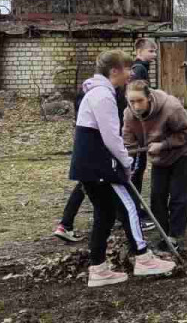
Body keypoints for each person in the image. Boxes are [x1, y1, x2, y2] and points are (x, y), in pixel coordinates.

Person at [68, 50, 175, 287]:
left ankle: (98, 270)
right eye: (127, 69)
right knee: (129, 208)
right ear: (115, 70)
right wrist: (126, 163)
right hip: (99, 165)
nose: (130, 74)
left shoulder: (95, 92)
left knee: (105, 215)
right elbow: (111, 138)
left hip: (89, 164)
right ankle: (144, 259)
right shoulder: (103, 95)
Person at [123, 80, 187, 256]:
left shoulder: (171, 108)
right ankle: (164, 234)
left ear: (149, 98)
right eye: (131, 101)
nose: (136, 106)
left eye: (139, 101)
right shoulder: (128, 114)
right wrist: (126, 163)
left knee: (178, 196)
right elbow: (129, 144)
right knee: (157, 197)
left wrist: (164, 144)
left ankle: (174, 237)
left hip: (184, 151)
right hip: (159, 156)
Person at [55, 75, 128, 243]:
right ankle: (67, 224)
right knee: (100, 195)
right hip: (97, 152)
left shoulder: (89, 90)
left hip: (87, 151)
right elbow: (110, 129)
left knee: (86, 186)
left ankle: (66, 224)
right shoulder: (105, 94)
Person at [128, 38, 157, 194]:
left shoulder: (141, 68)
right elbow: (134, 100)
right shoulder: (138, 69)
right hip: (136, 125)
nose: (155, 55)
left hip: (138, 124)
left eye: (155, 51)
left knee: (139, 166)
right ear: (139, 51)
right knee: (137, 167)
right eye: (151, 51)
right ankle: (133, 203)